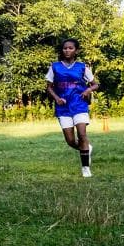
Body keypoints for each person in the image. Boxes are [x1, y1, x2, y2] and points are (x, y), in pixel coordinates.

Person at [46, 39, 99, 178]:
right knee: (70, 141)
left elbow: (95, 84)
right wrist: (57, 98)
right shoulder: (55, 67)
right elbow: (49, 87)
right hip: (63, 107)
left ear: (76, 51)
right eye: (65, 48)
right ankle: (86, 148)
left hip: (79, 104)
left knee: (82, 135)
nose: (67, 50)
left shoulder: (82, 67)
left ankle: (85, 168)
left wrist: (88, 90)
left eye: (70, 48)